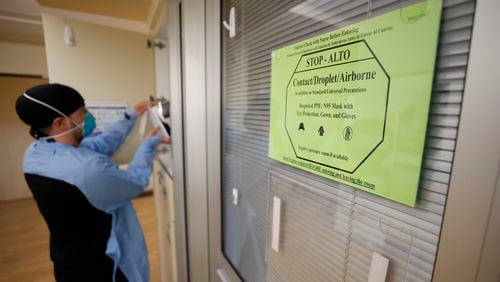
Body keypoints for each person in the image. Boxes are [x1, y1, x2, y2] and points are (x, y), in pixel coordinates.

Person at [15, 83, 169, 282]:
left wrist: (129, 117)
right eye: (82, 111)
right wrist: (148, 145)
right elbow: (135, 181)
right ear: (60, 123)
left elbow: (100, 145)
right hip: (103, 266)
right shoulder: (88, 170)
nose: (88, 115)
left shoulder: (36, 154)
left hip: (66, 259)